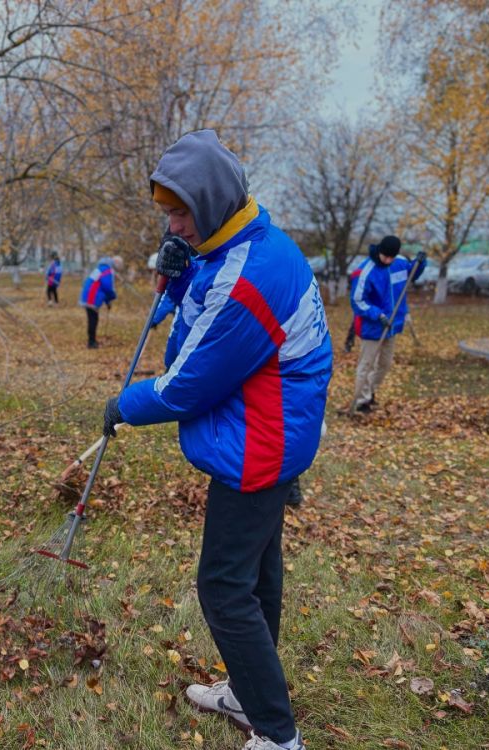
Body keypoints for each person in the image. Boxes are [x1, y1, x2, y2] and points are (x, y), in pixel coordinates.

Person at [101, 130, 331, 750]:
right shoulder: (243, 243)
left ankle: (278, 736)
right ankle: (247, 693)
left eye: (180, 213)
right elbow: (196, 317)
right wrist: (176, 283)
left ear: (212, 202)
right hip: (275, 430)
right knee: (258, 576)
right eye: (167, 214)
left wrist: (122, 405)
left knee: (224, 587)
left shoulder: (251, 275)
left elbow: (186, 385)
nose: (172, 227)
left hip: (261, 441)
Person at [349, 235, 426, 413]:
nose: (388, 260)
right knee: (366, 364)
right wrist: (378, 315)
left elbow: (412, 273)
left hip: (392, 325)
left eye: (391, 257)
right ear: (380, 251)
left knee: (385, 364)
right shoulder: (366, 271)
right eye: (385, 257)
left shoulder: (398, 262)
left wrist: (420, 263)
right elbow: (357, 301)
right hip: (373, 325)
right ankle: (361, 401)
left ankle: (370, 391)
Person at [79, 256, 122, 348]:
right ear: (116, 263)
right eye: (119, 265)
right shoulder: (107, 270)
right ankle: (91, 342)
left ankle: (92, 340)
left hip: (89, 296)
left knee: (93, 319)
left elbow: (102, 287)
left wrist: (108, 301)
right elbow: (107, 287)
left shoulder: (101, 268)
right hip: (92, 297)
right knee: (93, 319)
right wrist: (112, 296)